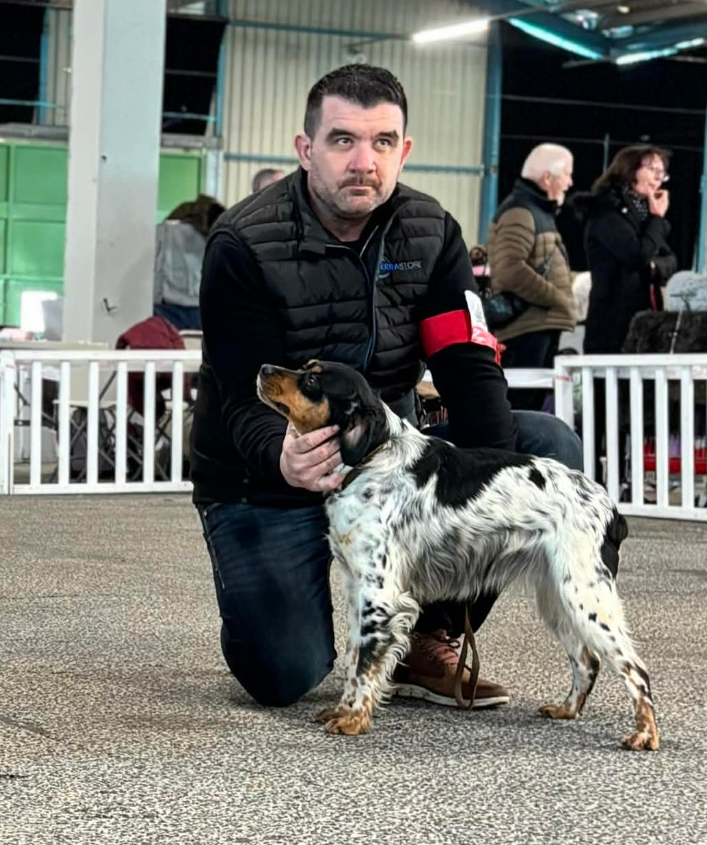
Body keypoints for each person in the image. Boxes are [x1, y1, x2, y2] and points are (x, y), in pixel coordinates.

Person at [190, 64, 583, 710]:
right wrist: (281, 456)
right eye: (342, 140)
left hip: (384, 460)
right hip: (264, 470)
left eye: (381, 142)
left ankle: (426, 632)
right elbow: (240, 390)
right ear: (305, 148)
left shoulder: (431, 233)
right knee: (284, 673)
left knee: (544, 447)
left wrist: (489, 474)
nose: (362, 161)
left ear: (404, 151)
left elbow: (467, 363)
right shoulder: (242, 242)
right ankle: (296, 600)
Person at [486, 143, 577, 410]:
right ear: (547, 177)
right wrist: (557, 299)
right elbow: (510, 271)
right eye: (567, 174)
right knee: (522, 407)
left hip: (537, 326)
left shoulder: (533, 210)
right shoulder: (521, 212)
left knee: (530, 406)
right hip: (528, 330)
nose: (570, 183)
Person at [578, 144, 676, 354]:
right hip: (613, 323)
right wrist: (657, 219)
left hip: (647, 318)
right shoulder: (606, 210)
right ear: (629, 170)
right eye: (652, 169)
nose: (658, 178)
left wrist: (654, 266)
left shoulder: (645, 217)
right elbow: (636, 254)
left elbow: (670, 259)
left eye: (662, 173)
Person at [153, 195, 225, 331]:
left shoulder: (164, 232)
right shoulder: (220, 235)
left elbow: (156, 271)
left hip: (168, 309)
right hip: (207, 310)